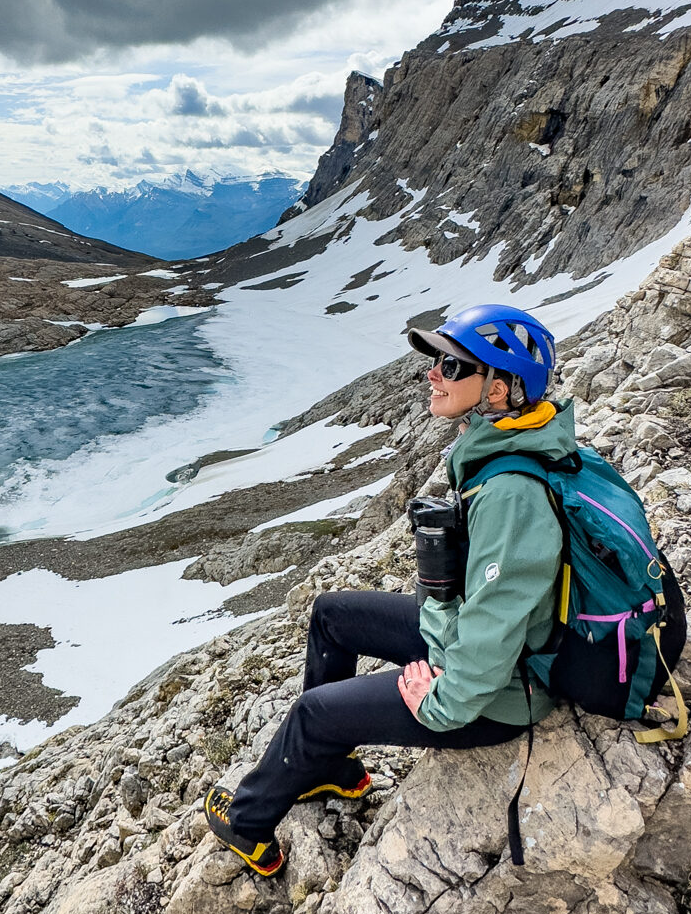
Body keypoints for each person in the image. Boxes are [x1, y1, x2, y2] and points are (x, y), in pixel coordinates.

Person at [203, 303, 575, 875]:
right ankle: (331, 769)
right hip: (477, 644)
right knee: (331, 615)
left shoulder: (510, 492)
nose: (433, 374)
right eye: (438, 362)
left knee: (313, 713)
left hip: (498, 693)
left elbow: (494, 631)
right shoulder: (504, 445)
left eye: (452, 367)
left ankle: (249, 827)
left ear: (499, 391)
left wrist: (441, 700)